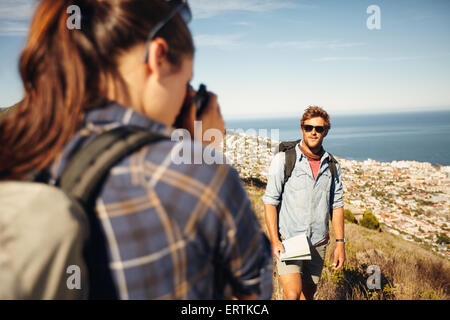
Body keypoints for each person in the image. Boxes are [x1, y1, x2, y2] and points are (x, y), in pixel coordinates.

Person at [0, 0, 272, 299]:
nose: (186, 95)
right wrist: (204, 151)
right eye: (187, 80)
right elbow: (254, 294)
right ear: (157, 57)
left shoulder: (21, 145)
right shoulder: (194, 174)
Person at [262, 106, 345, 300]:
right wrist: (275, 240)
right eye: (308, 127)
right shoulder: (284, 160)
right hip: (289, 239)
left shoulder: (332, 166)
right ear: (302, 129)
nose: (313, 132)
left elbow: (337, 205)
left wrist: (340, 243)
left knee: (308, 295)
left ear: (326, 131)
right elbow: (270, 201)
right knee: (292, 294)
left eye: (318, 128)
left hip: (318, 242)